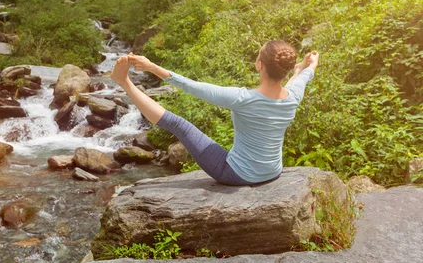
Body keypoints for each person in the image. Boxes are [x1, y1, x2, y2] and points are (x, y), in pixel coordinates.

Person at [109, 40, 319, 186]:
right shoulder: (292, 97)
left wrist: (152, 66)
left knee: (179, 125)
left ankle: (124, 82)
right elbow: (302, 78)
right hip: (272, 172)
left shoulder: (242, 98)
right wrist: (305, 66)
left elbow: (191, 86)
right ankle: (124, 82)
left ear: (259, 65)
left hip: (236, 175)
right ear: (286, 69)